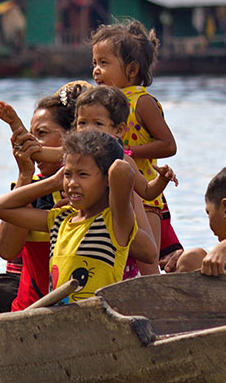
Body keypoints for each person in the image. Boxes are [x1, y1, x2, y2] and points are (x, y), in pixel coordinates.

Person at [0, 130, 146, 301]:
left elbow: (121, 169)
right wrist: (52, 182)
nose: (72, 183)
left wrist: (109, 155)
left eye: (83, 174)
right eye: (68, 174)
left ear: (107, 179)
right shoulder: (59, 219)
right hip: (62, 316)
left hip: (98, 316)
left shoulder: (115, 222)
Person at [90, 18, 181, 262]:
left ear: (132, 70)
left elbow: (168, 145)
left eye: (104, 63)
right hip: (114, 196)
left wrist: (127, 151)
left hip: (145, 194)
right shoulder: (101, 103)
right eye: (95, 63)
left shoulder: (141, 102)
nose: (96, 70)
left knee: (146, 262)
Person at [0, 92, 76, 312]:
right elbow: (6, 250)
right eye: (30, 135)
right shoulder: (28, 187)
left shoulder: (95, 187)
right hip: (33, 304)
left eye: (41, 134)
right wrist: (25, 175)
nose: (32, 144)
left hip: (79, 297)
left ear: (72, 137)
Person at [73, 84, 178, 276]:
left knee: (127, 271)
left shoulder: (122, 159)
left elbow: (147, 191)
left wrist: (162, 180)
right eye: (82, 123)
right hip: (88, 229)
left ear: (119, 130)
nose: (89, 130)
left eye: (98, 124)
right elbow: (44, 153)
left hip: (119, 226)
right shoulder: (72, 158)